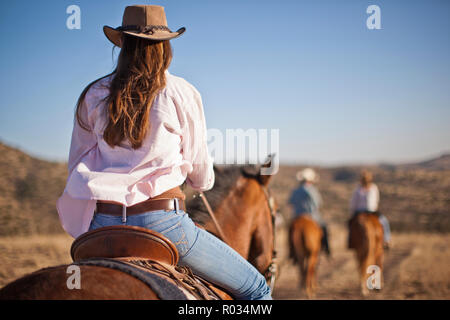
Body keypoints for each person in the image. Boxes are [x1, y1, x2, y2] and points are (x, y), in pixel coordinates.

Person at [56, 5, 271, 300]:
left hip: (102, 227)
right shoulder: (181, 91)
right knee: (257, 289)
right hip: (162, 224)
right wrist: (196, 180)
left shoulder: (93, 94)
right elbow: (202, 176)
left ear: (123, 44)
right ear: (165, 46)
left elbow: (77, 163)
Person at [289, 168, 331, 256]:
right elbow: (318, 203)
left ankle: (291, 252)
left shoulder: (296, 190)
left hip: (297, 216)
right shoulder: (312, 190)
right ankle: (326, 248)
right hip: (312, 216)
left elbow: (290, 202)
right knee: (323, 227)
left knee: (290, 230)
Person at [349, 170, 391, 248]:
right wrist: (353, 211)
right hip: (360, 211)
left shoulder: (374, 188)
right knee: (350, 223)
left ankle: (386, 239)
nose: (366, 181)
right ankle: (350, 241)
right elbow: (354, 202)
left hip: (372, 211)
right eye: (364, 179)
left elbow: (376, 200)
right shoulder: (358, 190)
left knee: (384, 221)